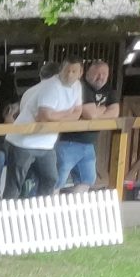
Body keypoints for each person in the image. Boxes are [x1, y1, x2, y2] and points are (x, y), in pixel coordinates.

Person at [9, 59, 83, 200]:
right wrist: (68, 113)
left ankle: (39, 211)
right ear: (59, 72)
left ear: (80, 73)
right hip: (23, 142)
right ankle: (6, 216)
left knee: (50, 179)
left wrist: (58, 116)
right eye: (66, 70)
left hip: (47, 143)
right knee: (15, 184)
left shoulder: (76, 87)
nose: (69, 75)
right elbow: (43, 117)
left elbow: (77, 112)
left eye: (74, 71)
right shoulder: (48, 88)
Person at [54, 56, 110, 191]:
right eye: (97, 73)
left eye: (104, 74)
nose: (100, 77)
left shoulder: (107, 90)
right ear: (86, 73)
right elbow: (89, 114)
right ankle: (50, 209)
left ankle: (74, 210)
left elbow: (115, 111)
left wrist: (96, 113)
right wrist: (102, 110)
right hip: (68, 141)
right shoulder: (80, 87)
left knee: (87, 179)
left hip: (88, 143)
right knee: (58, 180)